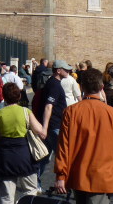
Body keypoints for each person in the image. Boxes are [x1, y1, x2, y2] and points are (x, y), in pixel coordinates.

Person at [54, 68, 113, 204]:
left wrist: (61, 175)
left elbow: (63, 146)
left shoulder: (71, 112)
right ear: (102, 87)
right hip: (103, 175)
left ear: (81, 87)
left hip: (78, 173)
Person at [0, 82, 46, 204]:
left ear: (4, 97)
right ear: (19, 96)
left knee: (6, 196)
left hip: (6, 156)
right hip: (24, 156)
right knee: (30, 191)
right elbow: (39, 130)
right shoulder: (25, 111)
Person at [35, 59, 68, 193]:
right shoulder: (54, 84)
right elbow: (48, 106)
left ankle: (35, 181)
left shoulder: (53, 82)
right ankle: (63, 183)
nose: (69, 71)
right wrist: (45, 127)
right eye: (66, 69)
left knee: (45, 156)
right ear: (58, 70)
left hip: (52, 125)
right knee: (63, 156)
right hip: (54, 125)